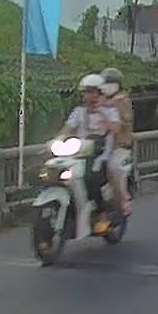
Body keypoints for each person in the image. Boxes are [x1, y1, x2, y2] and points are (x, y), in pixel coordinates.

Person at [60, 74, 121, 231]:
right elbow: (68, 127)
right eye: (86, 92)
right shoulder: (79, 112)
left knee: (91, 178)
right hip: (79, 152)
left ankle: (102, 214)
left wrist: (101, 113)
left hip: (102, 153)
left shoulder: (110, 111)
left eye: (93, 92)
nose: (89, 96)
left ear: (101, 93)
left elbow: (116, 129)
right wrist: (57, 139)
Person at [100, 67, 133, 217]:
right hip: (99, 146)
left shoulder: (123, 100)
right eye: (105, 82)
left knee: (113, 167)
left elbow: (124, 122)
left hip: (119, 146)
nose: (107, 85)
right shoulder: (98, 101)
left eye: (111, 82)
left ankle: (123, 201)